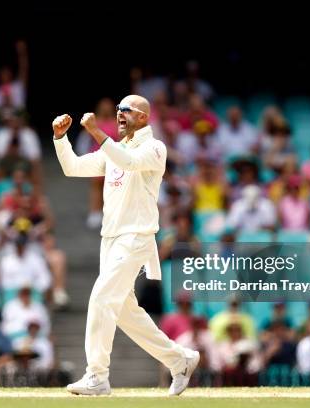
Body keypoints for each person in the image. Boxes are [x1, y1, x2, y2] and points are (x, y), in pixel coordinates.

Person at [52, 95, 198, 396]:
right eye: (117, 110)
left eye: (125, 110)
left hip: (136, 238)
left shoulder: (155, 148)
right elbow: (73, 168)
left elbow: (129, 162)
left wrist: (95, 132)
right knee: (125, 312)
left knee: (102, 297)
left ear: (143, 117)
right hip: (111, 239)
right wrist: (60, 138)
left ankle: (97, 375)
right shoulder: (114, 150)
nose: (119, 114)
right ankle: (180, 359)